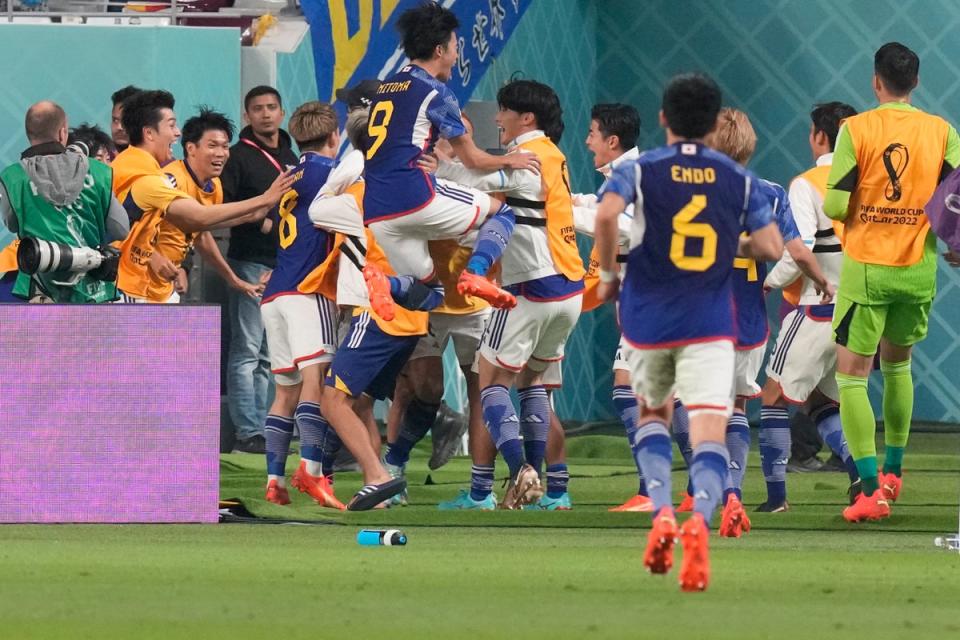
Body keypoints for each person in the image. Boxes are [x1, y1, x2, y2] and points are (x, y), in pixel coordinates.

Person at [594, 73, 782, 591]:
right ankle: (700, 518)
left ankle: (660, 514)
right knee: (707, 427)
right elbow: (771, 248)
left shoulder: (642, 167)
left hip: (649, 319)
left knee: (654, 414)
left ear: (663, 119)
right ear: (711, 119)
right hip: (710, 322)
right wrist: (731, 249)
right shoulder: (737, 178)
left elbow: (607, 215)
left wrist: (610, 276)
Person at [824, 42, 960, 522]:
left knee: (852, 378)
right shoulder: (943, 131)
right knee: (899, 369)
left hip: (866, 271)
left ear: (875, 81)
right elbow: (956, 203)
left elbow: (836, 205)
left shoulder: (855, 129)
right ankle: (894, 474)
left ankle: (867, 492)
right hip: (918, 271)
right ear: (916, 83)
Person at [432, 79, 584, 509]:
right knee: (533, 383)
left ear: (526, 117)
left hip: (529, 288)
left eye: (503, 111)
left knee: (491, 382)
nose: (496, 119)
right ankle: (543, 493)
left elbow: (470, 182)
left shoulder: (528, 159)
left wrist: (441, 163)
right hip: (567, 290)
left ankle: (521, 473)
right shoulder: (553, 155)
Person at [363, 2, 540, 314]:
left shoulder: (383, 89)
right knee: (503, 215)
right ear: (439, 50)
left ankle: (386, 283)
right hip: (414, 196)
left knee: (431, 295)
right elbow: (472, 159)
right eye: (456, 47)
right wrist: (509, 161)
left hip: (376, 211)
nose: (457, 55)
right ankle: (476, 273)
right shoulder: (435, 91)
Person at [762, 102, 862, 505]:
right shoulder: (865, 182)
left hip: (815, 308)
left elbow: (797, 250)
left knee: (772, 396)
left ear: (819, 136)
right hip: (856, 311)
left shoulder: (806, 184)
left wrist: (767, 284)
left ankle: (775, 496)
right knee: (825, 402)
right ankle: (861, 477)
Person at [111, 90, 294, 305]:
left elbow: (196, 228)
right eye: (171, 125)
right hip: (129, 285)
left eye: (225, 146)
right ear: (149, 134)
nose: (177, 133)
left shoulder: (139, 166)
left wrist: (247, 216)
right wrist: (264, 199)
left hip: (149, 287)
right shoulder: (152, 178)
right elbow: (198, 217)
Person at [221, 85, 299, 454]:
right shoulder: (237, 157)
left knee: (272, 352)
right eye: (257, 108)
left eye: (271, 107)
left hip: (283, 262)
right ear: (247, 115)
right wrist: (264, 223)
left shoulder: (290, 153)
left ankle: (270, 427)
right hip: (250, 259)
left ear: (282, 112)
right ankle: (246, 431)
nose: (265, 114)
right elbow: (228, 208)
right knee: (248, 349)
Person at [115, 108, 249, 304]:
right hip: (137, 284)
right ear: (191, 148)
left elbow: (200, 233)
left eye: (225, 147)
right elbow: (131, 226)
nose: (220, 153)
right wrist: (153, 257)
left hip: (165, 287)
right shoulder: (170, 179)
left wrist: (232, 278)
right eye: (212, 145)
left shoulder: (215, 186)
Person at [0, 101, 128, 303]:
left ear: (28, 134)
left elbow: (12, 223)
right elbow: (121, 228)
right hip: (93, 290)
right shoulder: (98, 171)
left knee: (45, 336)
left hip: (41, 290)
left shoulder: (12, 177)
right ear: (62, 133)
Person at [111, 85, 142, 155]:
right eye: (115, 120)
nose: (119, 127)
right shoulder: (100, 161)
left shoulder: (159, 163)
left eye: (125, 121)